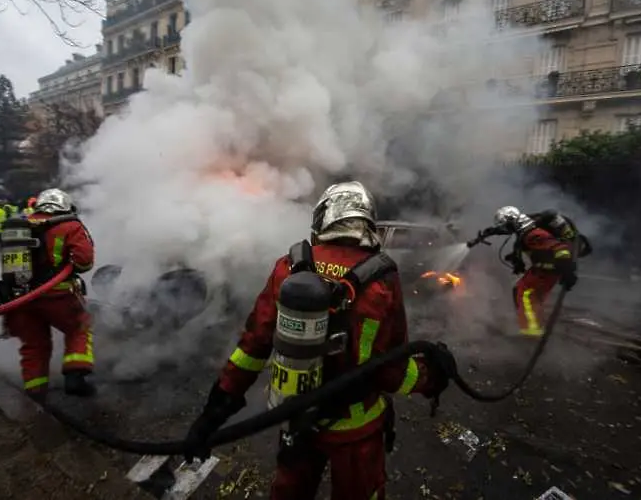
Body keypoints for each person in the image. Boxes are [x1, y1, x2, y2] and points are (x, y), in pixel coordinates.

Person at [183, 181, 457, 500]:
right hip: (358, 431)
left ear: (323, 217)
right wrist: (431, 377)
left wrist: (213, 412)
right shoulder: (383, 279)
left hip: (298, 419)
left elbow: (253, 346)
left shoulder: (289, 266)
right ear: (366, 220)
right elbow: (390, 369)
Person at [2, 188, 96, 400]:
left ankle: (36, 393)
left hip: (19, 298)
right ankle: (75, 376)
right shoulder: (70, 225)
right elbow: (84, 261)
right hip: (58, 295)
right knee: (79, 327)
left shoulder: (19, 224)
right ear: (65, 205)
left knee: (34, 344)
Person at [479, 206, 578, 337]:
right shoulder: (527, 227)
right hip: (544, 269)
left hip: (547, 271)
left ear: (512, 221)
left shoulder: (532, 234)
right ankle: (536, 326)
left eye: (506, 226)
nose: (506, 230)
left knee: (524, 294)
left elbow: (560, 250)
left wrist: (568, 271)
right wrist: (491, 232)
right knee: (533, 297)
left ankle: (531, 332)